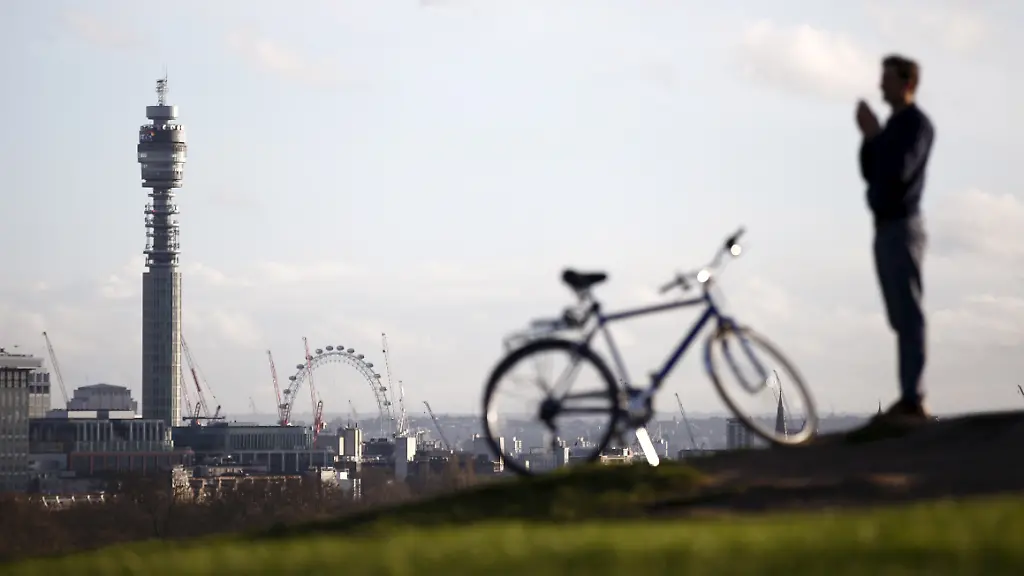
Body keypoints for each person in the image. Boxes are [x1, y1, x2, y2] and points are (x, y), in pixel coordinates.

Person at [856, 54, 935, 422]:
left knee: (908, 312)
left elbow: (898, 171)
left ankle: (912, 398)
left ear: (907, 83)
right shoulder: (893, 128)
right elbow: (871, 172)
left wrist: (874, 136)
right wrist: (871, 138)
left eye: (887, 79)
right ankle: (909, 396)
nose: (880, 86)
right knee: (898, 314)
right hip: (886, 227)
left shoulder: (916, 125)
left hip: (903, 226)